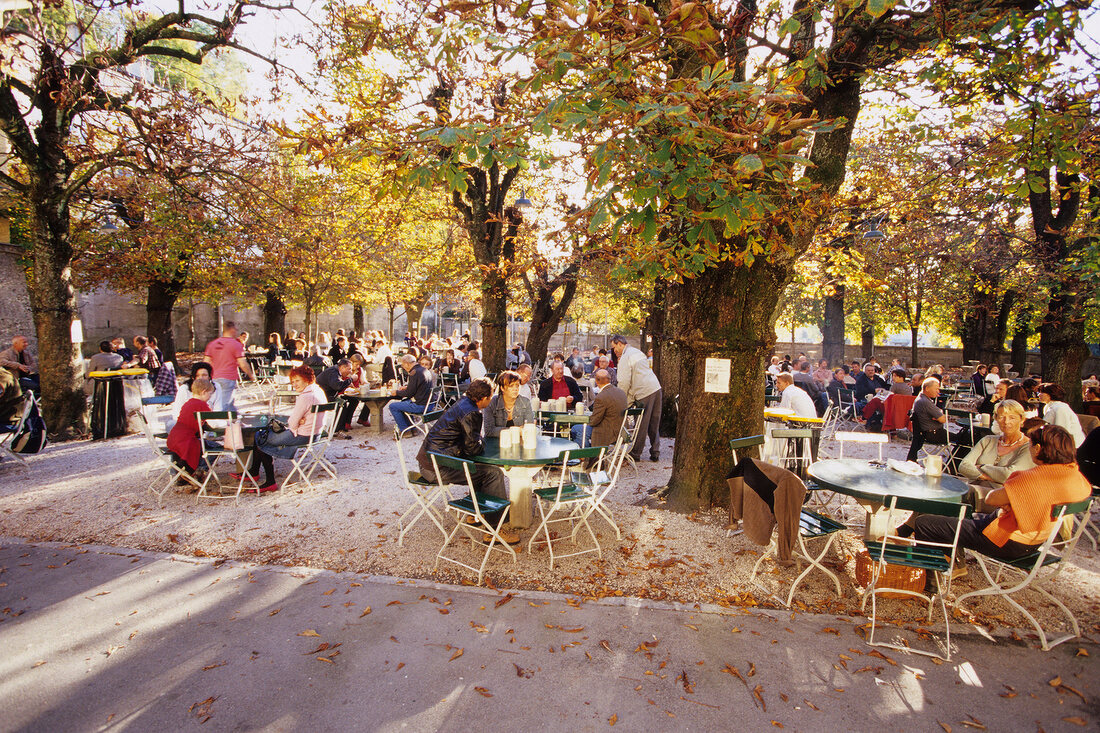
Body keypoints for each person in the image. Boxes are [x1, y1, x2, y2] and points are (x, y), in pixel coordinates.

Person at [915, 424, 1091, 565]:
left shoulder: (1032, 478)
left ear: (1037, 449)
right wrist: (1016, 502)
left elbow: (992, 499)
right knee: (959, 513)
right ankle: (956, 565)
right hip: (1036, 541)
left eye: (1030, 445)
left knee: (924, 523)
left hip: (1006, 540)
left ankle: (930, 582)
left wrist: (1012, 501)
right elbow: (1070, 494)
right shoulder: (1073, 475)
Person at [416, 378, 516, 544]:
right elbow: (473, 448)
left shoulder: (463, 402)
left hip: (428, 462)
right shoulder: (472, 413)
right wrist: (482, 441)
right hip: (437, 469)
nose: (490, 401)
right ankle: (496, 529)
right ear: (483, 398)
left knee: (480, 469)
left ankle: (476, 513)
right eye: (490, 397)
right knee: (492, 473)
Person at [235, 365, 328, 493]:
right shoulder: (318, 391)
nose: (294, 384)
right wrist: (299, 421)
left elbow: (292, 423)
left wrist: (297, 422)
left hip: (302, 435)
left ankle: (269, 481)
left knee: (261, 437)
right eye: (293, 381)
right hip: (316, 433)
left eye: (297, 380)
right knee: (264, 436)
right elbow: (299, 419)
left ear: (307, 379)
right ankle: (254, 472)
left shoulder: (305, 396)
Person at [958, 399, 1036, 511]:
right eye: (1001, 417)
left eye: (1012, 417)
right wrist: (989, 477)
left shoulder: (1028, 447)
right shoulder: (988, 440)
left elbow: (1008, 475)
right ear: (996, 419)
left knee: (963, 492)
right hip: (976, 489)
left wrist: (983, 467)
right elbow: (963, 466)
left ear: (1022, 420)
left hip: (1002, 499)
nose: (1006, 422)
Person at [610, 335, 663, 462]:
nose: (614, 351)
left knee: (641, 423)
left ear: (620, 344)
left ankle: (636, 453)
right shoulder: (637, 352)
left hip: (643, 392)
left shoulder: (625, 358)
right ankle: (655, 451)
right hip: (656, 387)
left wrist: (623, 402)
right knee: (654, 423)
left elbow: (623, 383)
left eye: (614, 347)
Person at [165, 378, 219, 481]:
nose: (210, 397)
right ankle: (197, 472)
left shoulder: (188, 403)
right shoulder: (201, 405)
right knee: (215, 448)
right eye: (210, 394)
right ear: (204, 392)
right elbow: (214, 423)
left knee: (204, 444)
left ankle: (185, 472)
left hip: (174, 438)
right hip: (186, 441)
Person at [203, 322, 254, 412]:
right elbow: (242, 363)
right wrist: (251, 375)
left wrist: (204, 377)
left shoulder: (212, 344)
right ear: (232, 330)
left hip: (215, 377)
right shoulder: (236, 345)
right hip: (228, 377)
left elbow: (206, 362)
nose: (236, 332)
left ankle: (236, 422)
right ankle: (218, 423)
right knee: (223, 405)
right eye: (235, 330)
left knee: (228, 403)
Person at [390, 353, 436, 435]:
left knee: (393, 406)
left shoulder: (414, 372)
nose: (403, 368)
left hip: (421, 406)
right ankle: (413, 429)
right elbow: (418, 387)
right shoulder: (424, 370)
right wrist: (407, 387)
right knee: (404, 403)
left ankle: (405, 431)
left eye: (403, 366)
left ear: (407, 364)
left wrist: (396, 392)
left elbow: (409, 393)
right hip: (430, 404)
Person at [169, 361, 224, 428]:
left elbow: (218, 410)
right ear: (193, 377)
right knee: (171, 424)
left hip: (210, 421)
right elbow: (177, 412)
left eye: (204, 375)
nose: (201, 378)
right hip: (188, 423)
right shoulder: (184, 389)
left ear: (209, 377)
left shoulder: (216, 387)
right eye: (197, 375)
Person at [482, 370, 534, 438]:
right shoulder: (492, 403)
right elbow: (489, 431)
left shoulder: (525, 402)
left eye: (517, 385)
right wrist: (516, 430)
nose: (515, 389)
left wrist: (499, 430)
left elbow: (529, 429)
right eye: (511, 386)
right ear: (502, 388)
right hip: (495, 444)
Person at [907, 378, 948, 462]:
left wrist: (938, 415)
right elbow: (943, 419)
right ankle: (955, 465)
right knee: (965, 439)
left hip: (926, 433)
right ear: (927, 388)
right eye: (936, 388)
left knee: (964, 437)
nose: (938, 391)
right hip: (934, 434)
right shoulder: (925, 402)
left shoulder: (921, 398)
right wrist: (939, 415)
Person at [1036, 383, 1085, 447]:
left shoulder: (1060, 408)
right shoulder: (1050, 406)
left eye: (1042, 392)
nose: (1039, 395)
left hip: (1071, 446)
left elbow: (1061, 430)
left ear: (1050, 394)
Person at [588, 369, 628, 448]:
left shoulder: (601, 397)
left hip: (609, 433)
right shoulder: (621, 392)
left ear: (596, 381)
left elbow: (594, 421)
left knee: (578, 429)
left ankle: (590, 455)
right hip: (621, 430)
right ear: (609, 379)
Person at [317, 358, 354, 436]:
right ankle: (337, 429)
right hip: (322, 397)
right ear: (342, 367)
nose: (350, 371)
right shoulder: (333, 372)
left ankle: (344, 425)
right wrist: (350, 380)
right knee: (341, 404)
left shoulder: (335, 370)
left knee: (352, 400)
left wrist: (346, 383)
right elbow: (337, 386)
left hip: (326, 394)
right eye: (349, 369)